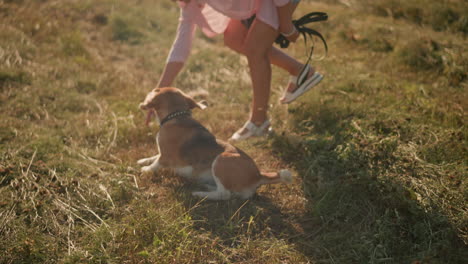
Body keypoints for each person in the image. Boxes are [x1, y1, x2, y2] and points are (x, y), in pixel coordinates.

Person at [153, 0, 324, 140]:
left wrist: (286, 26)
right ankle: (300, 71)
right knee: (234, 39)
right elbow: (181, 46)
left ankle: (259, 123)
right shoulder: (189, 3)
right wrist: (158, 93)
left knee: (255, 49)